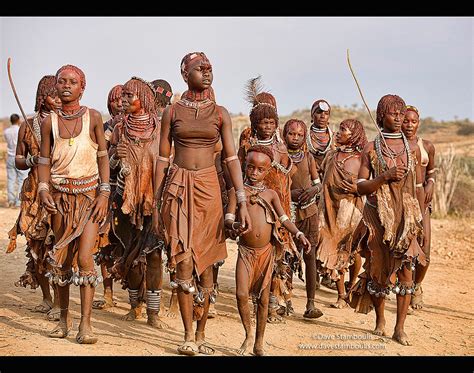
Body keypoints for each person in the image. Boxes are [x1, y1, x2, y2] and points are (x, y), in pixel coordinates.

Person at [154, 52, 252, 356]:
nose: (207, 73)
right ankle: (186, 335)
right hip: (179, 186)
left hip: (210, 189)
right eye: (200, 69)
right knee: (182, 259)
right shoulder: (172, 112)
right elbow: (161, 158)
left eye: (210, 68)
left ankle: (202, 332)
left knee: (207, 263)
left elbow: (231, 158)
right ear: (185, 74)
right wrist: (157, 202)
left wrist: (241, 199)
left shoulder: (220, 113)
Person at [38, 64, 110, 344]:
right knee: (62, 260)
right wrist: (43, 189)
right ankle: (64, 321)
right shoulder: (49, 122)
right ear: (55, 86)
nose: (66, 85)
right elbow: (44, 160)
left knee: (84, 258)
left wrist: (104, 193)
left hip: (90, 199)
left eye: (73, 82)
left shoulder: (93, 117)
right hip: (60, 199)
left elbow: (103, 156)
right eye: (61, 81)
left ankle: (86, 324)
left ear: (83, 87)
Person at [347, 94, 426, 346]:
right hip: (377, 217)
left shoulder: (412, 148)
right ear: (381, 116)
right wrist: (385, 177)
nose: (399, 117)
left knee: (406, 272)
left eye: (401, 113)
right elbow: (360, 187)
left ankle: (399, 328)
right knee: (378, 272)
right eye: (394, 113)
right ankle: (380, 320)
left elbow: (417, 187)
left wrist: (419, 221)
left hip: (405, 216)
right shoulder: (371, 148)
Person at [225, 145, 310, 356]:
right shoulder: (237, 192)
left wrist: (299, 234)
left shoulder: (271, 194)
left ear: (267, 171)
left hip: (266, 253)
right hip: (245, 252)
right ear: (244, 166)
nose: (254, 173)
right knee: (241, 293)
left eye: (260, 169)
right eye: (250, 167)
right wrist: (236, 226)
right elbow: (228, 218)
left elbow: (284, 219)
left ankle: (259, 343)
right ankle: (248, 334)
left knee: (263, 299)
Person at [108, 77, 169, 329]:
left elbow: (169, 161)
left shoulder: (161, 128)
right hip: (126, 201)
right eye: (121, 97)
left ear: (143, 99)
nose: (123, 101)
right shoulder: (119, 129)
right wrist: (115, 156)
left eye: (128, 97)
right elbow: (109, 166)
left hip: (154, 201)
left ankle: (153, 313)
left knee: (154, 256)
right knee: (130, 254)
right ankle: (135, 307)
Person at [238, 78, 297, 323]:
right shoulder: (248, 144)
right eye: (263, 120)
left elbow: (289, 176)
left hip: (278, 207)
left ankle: (271, 305)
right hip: (254, 208)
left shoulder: (282, 147)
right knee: (255, 256)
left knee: (278, 257)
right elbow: (240, 171)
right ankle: (257, 301)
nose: (268, 125)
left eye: (272, 120)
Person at [7, 75, 62, 321]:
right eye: (53, 96)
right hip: (33, 192)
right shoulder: (27, 126)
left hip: (60, 189)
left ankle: (61, 303)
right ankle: (46, 298)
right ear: (43, 97)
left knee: (59, 245)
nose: (59, 100)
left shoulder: (66, 123)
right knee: (37, 246)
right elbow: (18, 160)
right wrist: (31, 160)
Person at [316, 119, 367, 309]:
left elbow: (369, 184)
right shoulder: (332, 156)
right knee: (331, 246)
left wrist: (357, 188)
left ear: (353, 135)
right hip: (328, 209)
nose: (338, 133)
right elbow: (322, 176)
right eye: (339, 129)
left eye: (343, 130)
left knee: (349, 250)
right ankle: (341, 293)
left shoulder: (361, 159)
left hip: (349, 210)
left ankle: (350, 287)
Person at [282, 118, 324, 319]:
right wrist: (291, 195)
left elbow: (318, 183)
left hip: (309, 212)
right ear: (284, 135)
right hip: (288, 213)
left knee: (310, 255)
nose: (295, 138)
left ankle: (310, 304)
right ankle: (286, 300)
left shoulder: (308, 158)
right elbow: (276, 186)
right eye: (292, 133)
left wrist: (313, 190)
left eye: (299, 134)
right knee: (287, 256)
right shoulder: (280, 157)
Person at [92, 84, 124, 311]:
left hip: (129, 193)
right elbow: (99, 158)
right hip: (108, 190)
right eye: (115, 100)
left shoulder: (137, 127)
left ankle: (137, 298)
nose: (120, 103)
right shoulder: (104, 128)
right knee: (105, 245)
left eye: (123, 99)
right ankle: (108, 293)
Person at [402, 105, 435, 311]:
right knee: (401, 248)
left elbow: (431, 171)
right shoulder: (392, 146)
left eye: (413, 121)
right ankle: (401, 284)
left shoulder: (427, 146)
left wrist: (431, 183)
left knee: (425, 249)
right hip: (400, 202)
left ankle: (417, 286)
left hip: (421, 201)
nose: (409, 125)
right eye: (405, 121)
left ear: (418, 123)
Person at [307, 99, 337, 290]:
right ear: (312, 115)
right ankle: (313, 272)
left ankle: (325, 270)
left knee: (328, 229)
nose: (322, 116)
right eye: (318, 113)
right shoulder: (303, 136)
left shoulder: (335, 137)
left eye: (325, 114)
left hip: (329, 189)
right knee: (313, 229)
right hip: (309, 188)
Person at [4, 113, 28, 208]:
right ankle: (18, 202)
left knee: (11, 179)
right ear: (18, 120)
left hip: (10, 157)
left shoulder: (6, 131)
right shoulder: (20, 129)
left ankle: (10, 200)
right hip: (19, 156)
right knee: (21, 179)